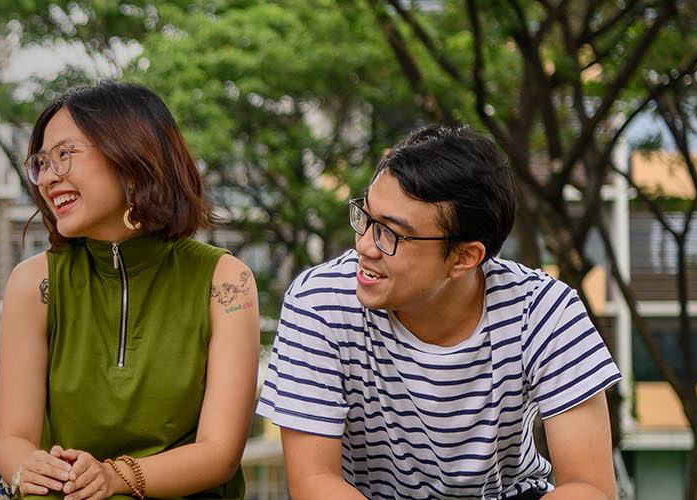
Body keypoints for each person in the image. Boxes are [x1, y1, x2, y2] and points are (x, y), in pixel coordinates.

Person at [257, 125, 620, 499]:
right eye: (365, 218)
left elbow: (589, 487)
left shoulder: (543, 311)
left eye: (390, 233)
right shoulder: (320, 303)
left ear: (464, 257)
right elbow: (315, 482)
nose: (364, 245)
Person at [0, 81, 259, 500]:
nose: (48, 177)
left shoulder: (225, 280)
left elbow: (219, 454)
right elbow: (13, 438)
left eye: (65, 155)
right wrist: (28, 465)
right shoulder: (33, 284)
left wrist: (113, 476)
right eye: (41, 162)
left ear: (132, 158)